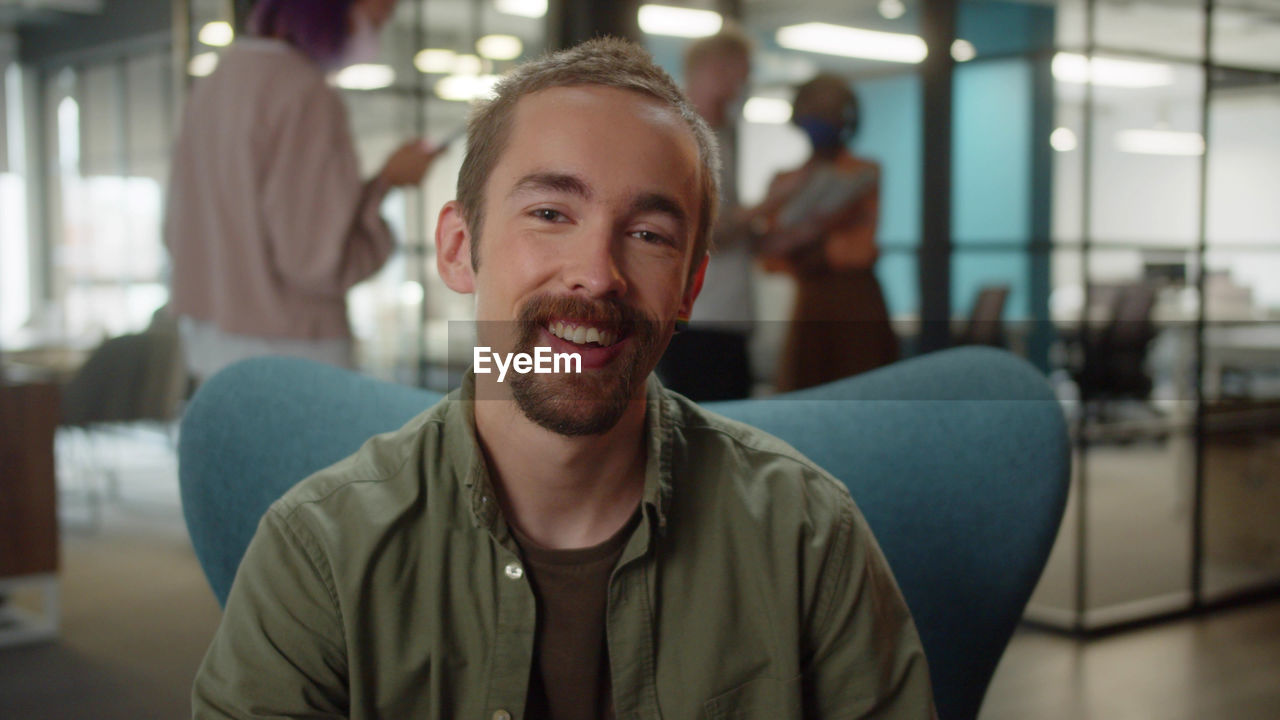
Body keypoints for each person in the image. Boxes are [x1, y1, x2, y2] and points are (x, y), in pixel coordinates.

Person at [192, 39, 934, 719]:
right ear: (458, 248)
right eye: (550, 212)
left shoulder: (808, 539)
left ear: (689, 289)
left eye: (648, 234)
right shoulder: (317, 555)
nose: (595, 275)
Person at [165, 0, 441, 383]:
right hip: (291, 349)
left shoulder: (215, 83)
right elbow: (314, 260)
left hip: (209, 343)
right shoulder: (304, 93)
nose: (374, 40)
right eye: (374, 24)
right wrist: (385, 197)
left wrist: (381, 184)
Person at [755, 74, 899, 392]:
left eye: (830, 109)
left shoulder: (864, 173)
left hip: (857, 301)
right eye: (815, 108)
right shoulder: (786, 181)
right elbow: (770, 254)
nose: (822, 117)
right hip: (811, 301)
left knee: (865, 390)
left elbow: (860, 248)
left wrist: (813, 243)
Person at [655, 26, 755, 401]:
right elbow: (704, 230)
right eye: (741, 70)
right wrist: (771, 204)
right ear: (716, 69)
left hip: (729, 312)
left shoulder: (727, 132)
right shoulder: (678, 132)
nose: (745, 81)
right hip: (698, 314)